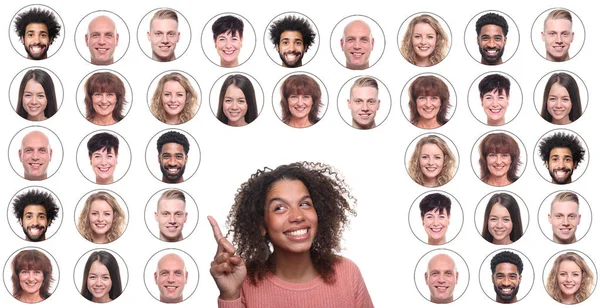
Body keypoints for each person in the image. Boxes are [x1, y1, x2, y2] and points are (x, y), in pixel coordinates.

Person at [208, 162, 373, 307]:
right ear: (261, 225)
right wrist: (230, 296)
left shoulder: (347, 273)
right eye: (280, 207)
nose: (298, 216)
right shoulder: (242, 282)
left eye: (304, 204)